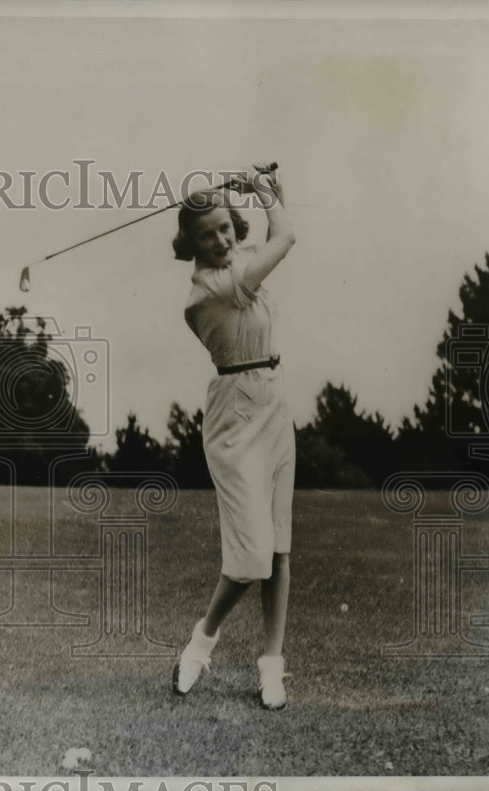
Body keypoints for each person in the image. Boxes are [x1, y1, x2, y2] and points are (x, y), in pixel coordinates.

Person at [171, 163, 297, 710]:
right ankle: (202, 640)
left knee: (280, 548)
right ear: (192, 245)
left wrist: (271, 190)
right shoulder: (212, 289)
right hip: (235, 418)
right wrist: (266, 194)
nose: (221, 239)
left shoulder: (241, 265)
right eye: (208, 235)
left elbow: (274, 232)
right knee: (250, 558)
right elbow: (286, 236)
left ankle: (272, 666)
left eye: (226, 227)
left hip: (273, 402)